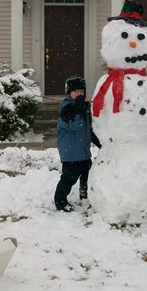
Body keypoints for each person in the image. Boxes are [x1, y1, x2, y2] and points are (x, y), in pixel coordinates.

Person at [54, 76, 101, 212]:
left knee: (86, 170)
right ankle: (60, 201)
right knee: (70, 177)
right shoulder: (66, 108)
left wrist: (99, 143)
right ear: (69, 92)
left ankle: (84, 193)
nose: (80, 94)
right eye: (76, 91)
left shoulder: (83, 107)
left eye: (82, 91)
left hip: (83, 150)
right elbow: (75, 125)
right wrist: (79, 109)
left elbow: (87, 129)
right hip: (70, 151)